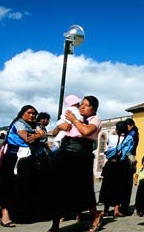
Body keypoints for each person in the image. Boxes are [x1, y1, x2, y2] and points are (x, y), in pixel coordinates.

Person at [47, 95, 102, 232]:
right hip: (65, 153)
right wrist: (59, 127)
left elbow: (86, 131)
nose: (82, 107)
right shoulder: (75, 118)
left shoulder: (94, 120)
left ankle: (96, 215)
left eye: (86, 105)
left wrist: (74, 120)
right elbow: (54, 133)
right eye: (81, 104)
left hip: (81, 155)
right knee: (58, 189)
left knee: (84, 188)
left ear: (93, 108)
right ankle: (55, 225)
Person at [0, 105, 46, 228]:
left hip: (27, 158)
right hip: (13, 157)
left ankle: (18, 213)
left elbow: (44, 136)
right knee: (8, 184)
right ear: (22, 114)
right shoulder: (19, 124)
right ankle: (4, 215)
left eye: (34, 113)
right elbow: (27, 139)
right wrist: (39, 135)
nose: (32, 115)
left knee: (22, 186)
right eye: (29, 113)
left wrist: (41, 135)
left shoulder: (34, 125)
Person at [99, 121, 134, 218]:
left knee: (107, 186)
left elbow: (108, 144)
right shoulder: (128, 139)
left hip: (110, 164)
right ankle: (116, 210)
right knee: (119, 187)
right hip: (121, 165)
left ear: (117, 129)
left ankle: (105, 210)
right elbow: (128, 151)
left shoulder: (111, 137)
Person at [122, 118, 139, 215]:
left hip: (129, 156)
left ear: (131, 125)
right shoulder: (134, 132)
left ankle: (124, 206)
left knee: (127, 182)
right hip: (131, 156)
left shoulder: (132, 134)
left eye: (127, 126)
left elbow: (128, 147)